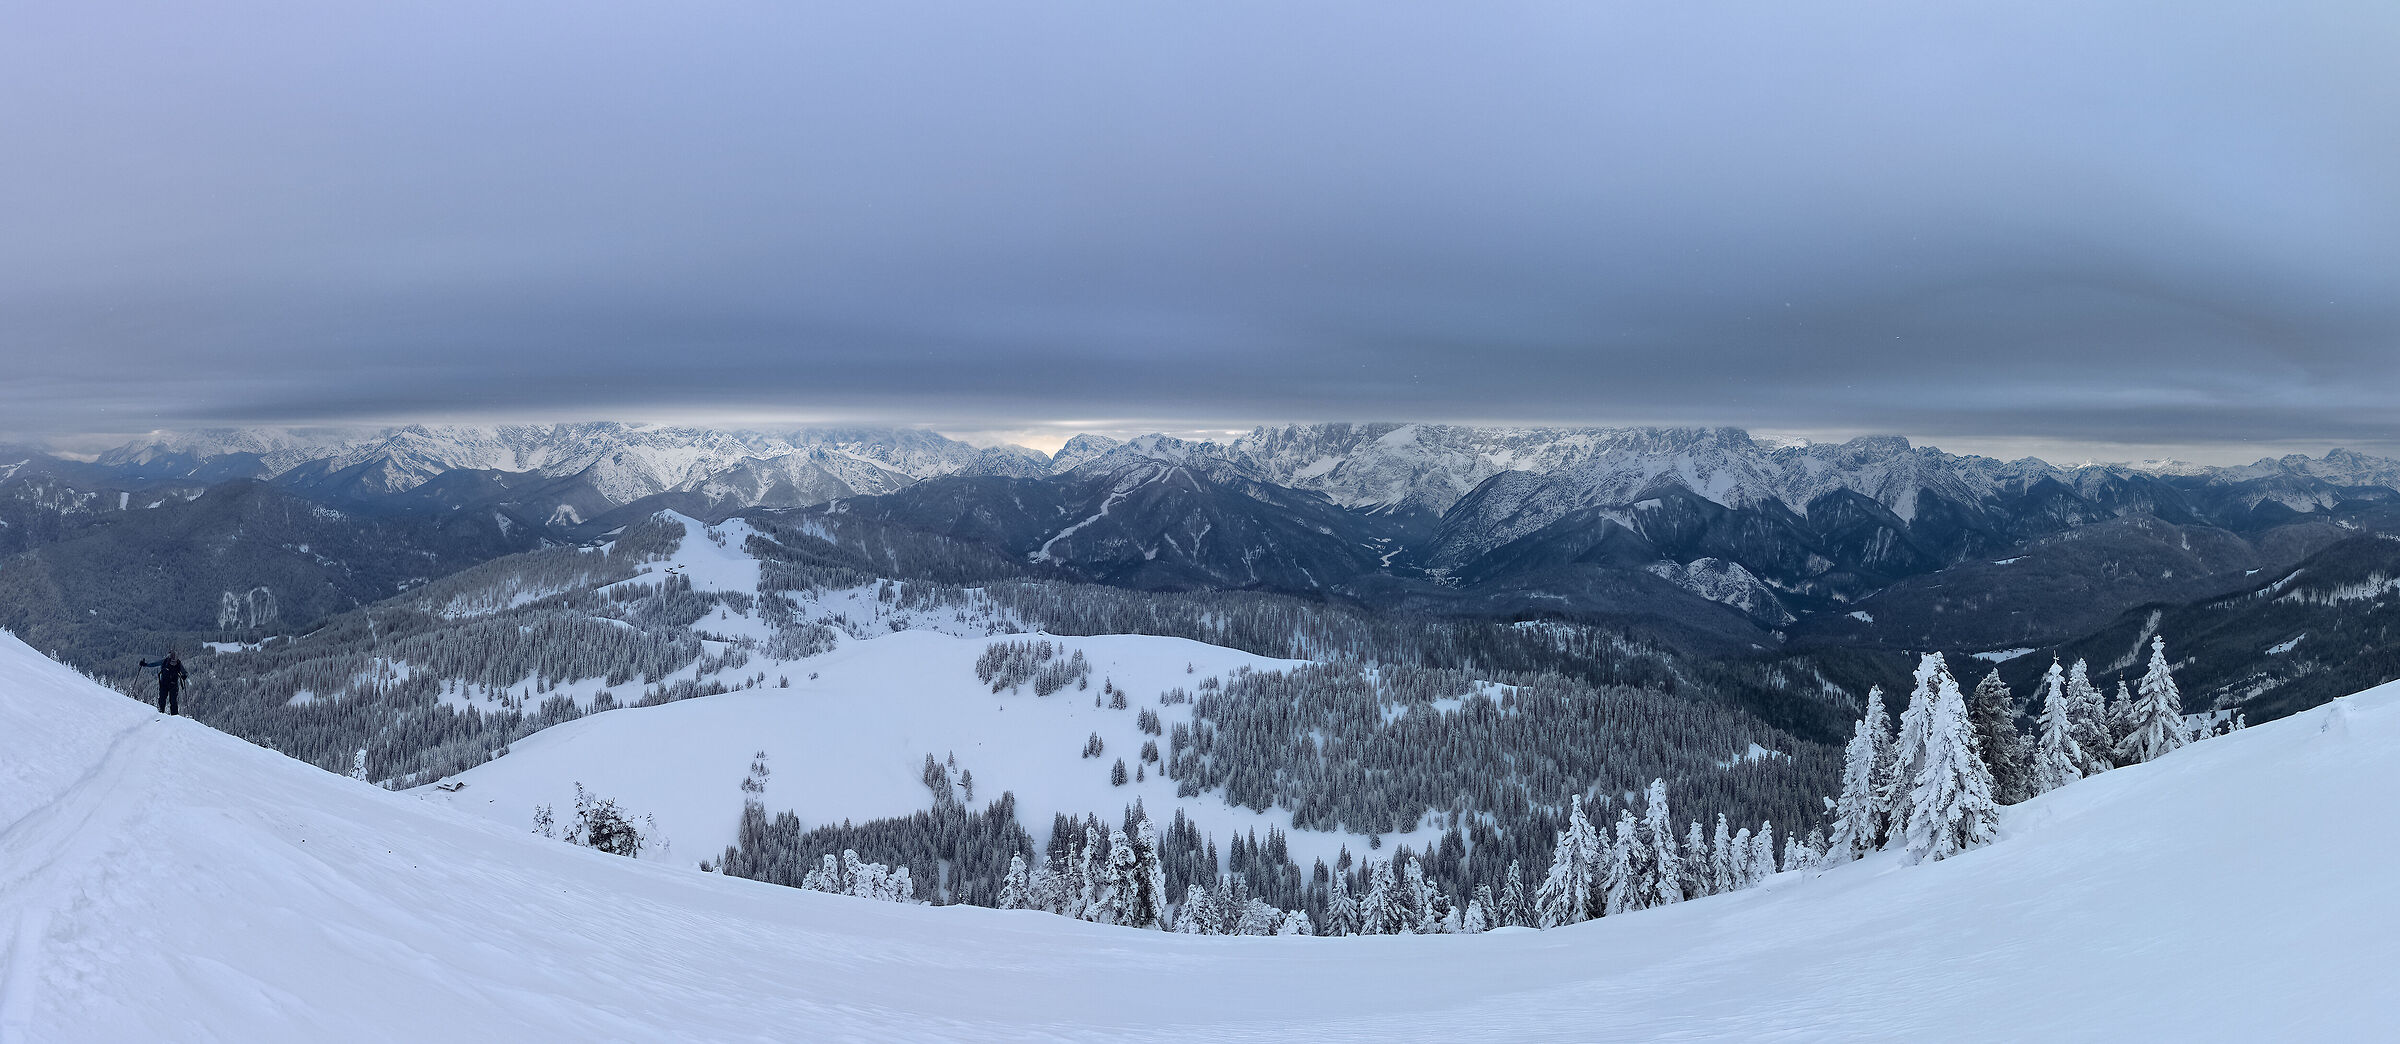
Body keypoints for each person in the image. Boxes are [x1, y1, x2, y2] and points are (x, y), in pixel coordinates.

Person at [139, 650, 187, 716]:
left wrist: (145, 665)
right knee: (172, 701)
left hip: (165, 683)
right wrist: (184, 676)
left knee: (163, 699)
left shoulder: (165, 661)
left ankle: (160, 713)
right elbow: (184, 672)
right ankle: (174, 716)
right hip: (172, 684)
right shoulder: (177, 663)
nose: (173, 663)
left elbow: (154, 664)